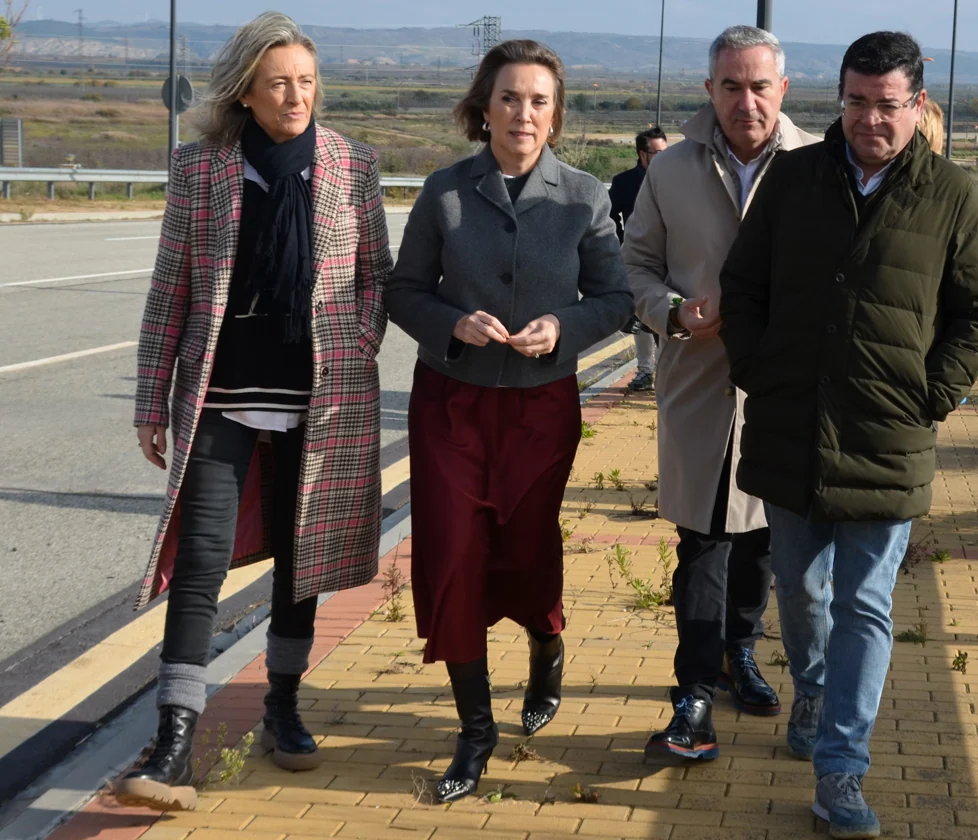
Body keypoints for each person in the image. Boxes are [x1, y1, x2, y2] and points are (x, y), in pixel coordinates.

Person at [719, 31, 978, 838]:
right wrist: (756, 368)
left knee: (866, 606)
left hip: (890, 435)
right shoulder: (793, 179)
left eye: (887, 105)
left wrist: (933, 395)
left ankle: (841, 771)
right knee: (800, 594)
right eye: (855, 102)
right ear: (838, 98)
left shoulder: (952, 195)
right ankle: (809, 685)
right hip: (792, 424)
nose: (869, 120)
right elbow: (742, 283)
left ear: (916, 105)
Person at [114, 12, 391, 812]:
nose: (296, 95)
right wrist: (149, 400)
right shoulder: (200, 169)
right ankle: (173, 738)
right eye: (279, 82)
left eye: (306, 81)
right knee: (199, 563)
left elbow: (377, 273)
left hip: (320, 399)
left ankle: (283, 703)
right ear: (246, 90)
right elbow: (171, 287)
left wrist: (355, 341)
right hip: (222, 398)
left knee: (300, 562)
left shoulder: (353, 164)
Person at [386, 40, 633, 804]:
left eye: (537, 101)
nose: (522, 114)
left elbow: (617, 301)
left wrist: (563, 327)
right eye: (508, 98)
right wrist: (450, 325)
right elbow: (402, 291)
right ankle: (475, 731)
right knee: (454, 554)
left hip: (540, 407)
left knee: (525, 553)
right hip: (451, 405)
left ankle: (546, 641)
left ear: (555, 115)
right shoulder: (445, 192)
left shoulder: (586, 197)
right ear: (482, 108)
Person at [622, 25, 819, 762]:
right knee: (701, 539)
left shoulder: (815, 165)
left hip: (785, 387)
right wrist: (671, 313)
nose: (746, 100)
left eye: (759, 85)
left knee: (765, 540)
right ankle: (694, 692)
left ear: (783, 90)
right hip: (699, 383)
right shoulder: (669, 170)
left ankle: (743, 653)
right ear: (709, 90)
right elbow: (635, 262)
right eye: (730, 86)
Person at [610, 125, 668, 392]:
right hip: (639, 262)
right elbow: (608, 219)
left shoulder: (676, 179)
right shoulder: (624, 183)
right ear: (642, 155)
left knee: (670, 316)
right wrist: (622, 244)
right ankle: (645, 371)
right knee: (642, 317)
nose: (664, 158)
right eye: (657, 153)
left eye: (666, 152)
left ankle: (667, 373)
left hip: (672, 260)